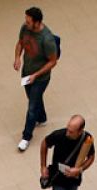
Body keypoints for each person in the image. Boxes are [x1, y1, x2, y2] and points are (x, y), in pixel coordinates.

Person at [14, 7, 60, 151]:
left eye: (28, 22)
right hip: (27, 72)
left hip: (40, 78)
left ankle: (26, 137)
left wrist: (36, 75)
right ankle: (42, 118)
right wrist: (17, 58)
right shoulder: (25, 28)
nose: (26, 24)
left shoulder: (47, 39)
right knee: (33, 98)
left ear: (37, 22)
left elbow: (53, 61)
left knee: (32, 106)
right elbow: (20, 42)